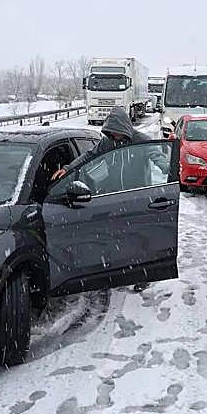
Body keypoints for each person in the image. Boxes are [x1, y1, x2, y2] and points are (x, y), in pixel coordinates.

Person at [52, 106, 170, 291]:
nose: (114, 136)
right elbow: (89, 156)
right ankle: (116, 270)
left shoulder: (141, 141)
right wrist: (68, 169)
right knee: (117, 236)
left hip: (135, 196)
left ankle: (142, 276)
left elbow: (157, 156)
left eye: (116, 132)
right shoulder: (107, 142)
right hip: (113, 196)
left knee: (138, 239)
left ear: (124, 127)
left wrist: (168, 169)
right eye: (111, 132)